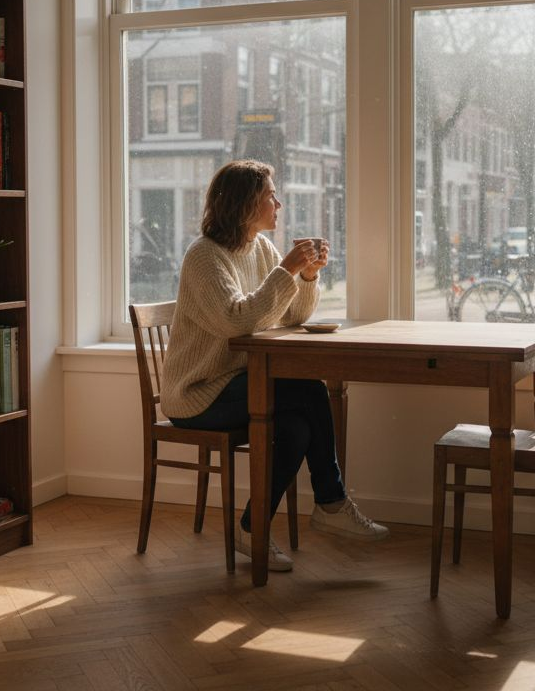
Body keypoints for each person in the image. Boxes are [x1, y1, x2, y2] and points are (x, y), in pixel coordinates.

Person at [160, 159, 388, 572]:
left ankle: (253, 530)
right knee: (310, 390)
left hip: (238, 383)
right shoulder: (204, 257)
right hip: (198, 392)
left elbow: (291, 317)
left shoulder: (260, 249)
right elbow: (237, 321)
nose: (278, 202)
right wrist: (285, 270)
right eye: (270, 195)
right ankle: (331, 502)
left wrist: (306, 278)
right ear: (246, 203)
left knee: (297, 428)